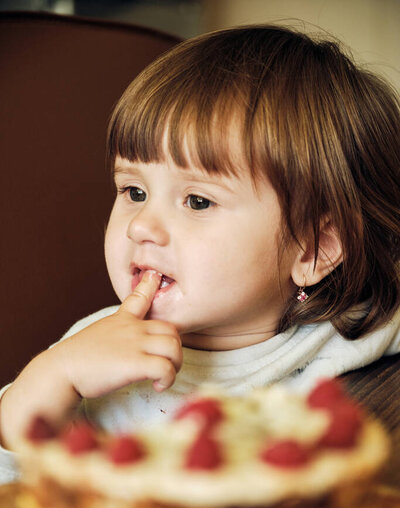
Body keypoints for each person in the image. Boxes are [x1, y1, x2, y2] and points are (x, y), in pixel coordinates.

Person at [1, 24, 399, 483]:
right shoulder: (90, 352)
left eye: (197, 201)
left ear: (313, 250)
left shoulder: (357, 334)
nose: (140, 225)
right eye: (133, 190)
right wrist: (53, 378)